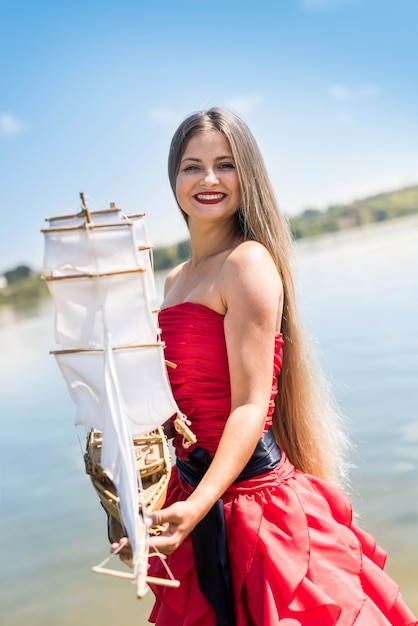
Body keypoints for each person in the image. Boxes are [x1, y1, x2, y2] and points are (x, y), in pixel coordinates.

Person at [111, 107, 417, 625]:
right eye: (192, 166)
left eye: (224, 164)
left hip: (255, 508)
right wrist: (137, 508)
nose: (208, 179)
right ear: (173, 177)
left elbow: (252, 405)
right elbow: (169, 414)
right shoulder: (173, 282)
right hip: (191, 498)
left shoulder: (247, 263)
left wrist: (199, 505)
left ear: (246, 175)